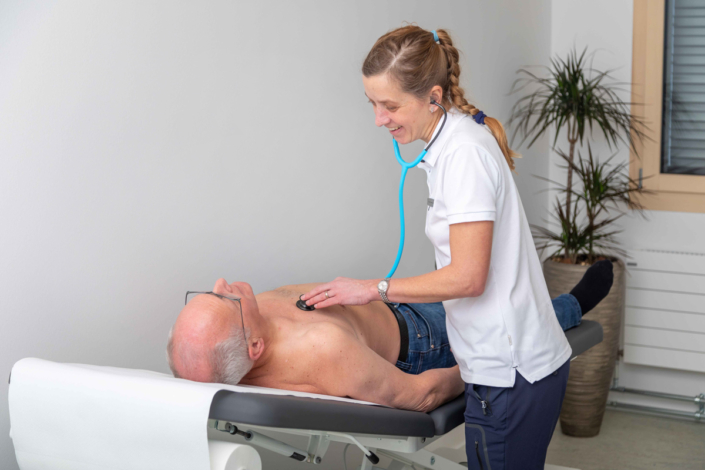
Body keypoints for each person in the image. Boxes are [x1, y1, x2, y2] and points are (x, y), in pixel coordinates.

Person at [298, 26, 615, 470]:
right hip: (508, 366)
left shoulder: (463, 155)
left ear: (432, 96)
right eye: (371, 103)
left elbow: (468, 277)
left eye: (390, 105)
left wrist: (373, 288)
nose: (379, 118)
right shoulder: (450, 145)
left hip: (509, 375)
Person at [167, 262, 613, 414]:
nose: (222, 281)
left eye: (206, 293)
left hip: (391, 308)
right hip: (425, 343)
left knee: (492, 293)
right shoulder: (324, 352)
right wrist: (483, 364)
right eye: (222, 298)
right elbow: (422, 396)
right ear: (255, 349)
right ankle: (571, 306)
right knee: (519, 319)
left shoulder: (237, 339)